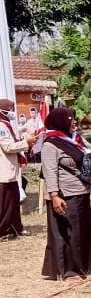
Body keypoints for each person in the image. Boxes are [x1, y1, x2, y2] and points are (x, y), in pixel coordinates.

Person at [39, 107, 91, 281]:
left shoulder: (75, 138)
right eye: (71, 119)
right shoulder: (50, 144)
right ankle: (69, 271)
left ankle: (82, 266)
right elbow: (50, 172)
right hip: (64, 195)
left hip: (81, 192)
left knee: (81, 232)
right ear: (61, 122)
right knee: (68, 234)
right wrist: (54, 196)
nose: (74, 122)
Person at [0, 99, 37, 240]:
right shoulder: (1, 125)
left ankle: (15, 227)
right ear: (3, 110)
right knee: (5, 203)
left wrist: (24, 140)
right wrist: (26, 142)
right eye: (10, 109)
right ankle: (3, 230)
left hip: (9, 170)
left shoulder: (6, 124)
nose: (13, 112)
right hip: (3, 171)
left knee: (13, 202)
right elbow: (8, 147)